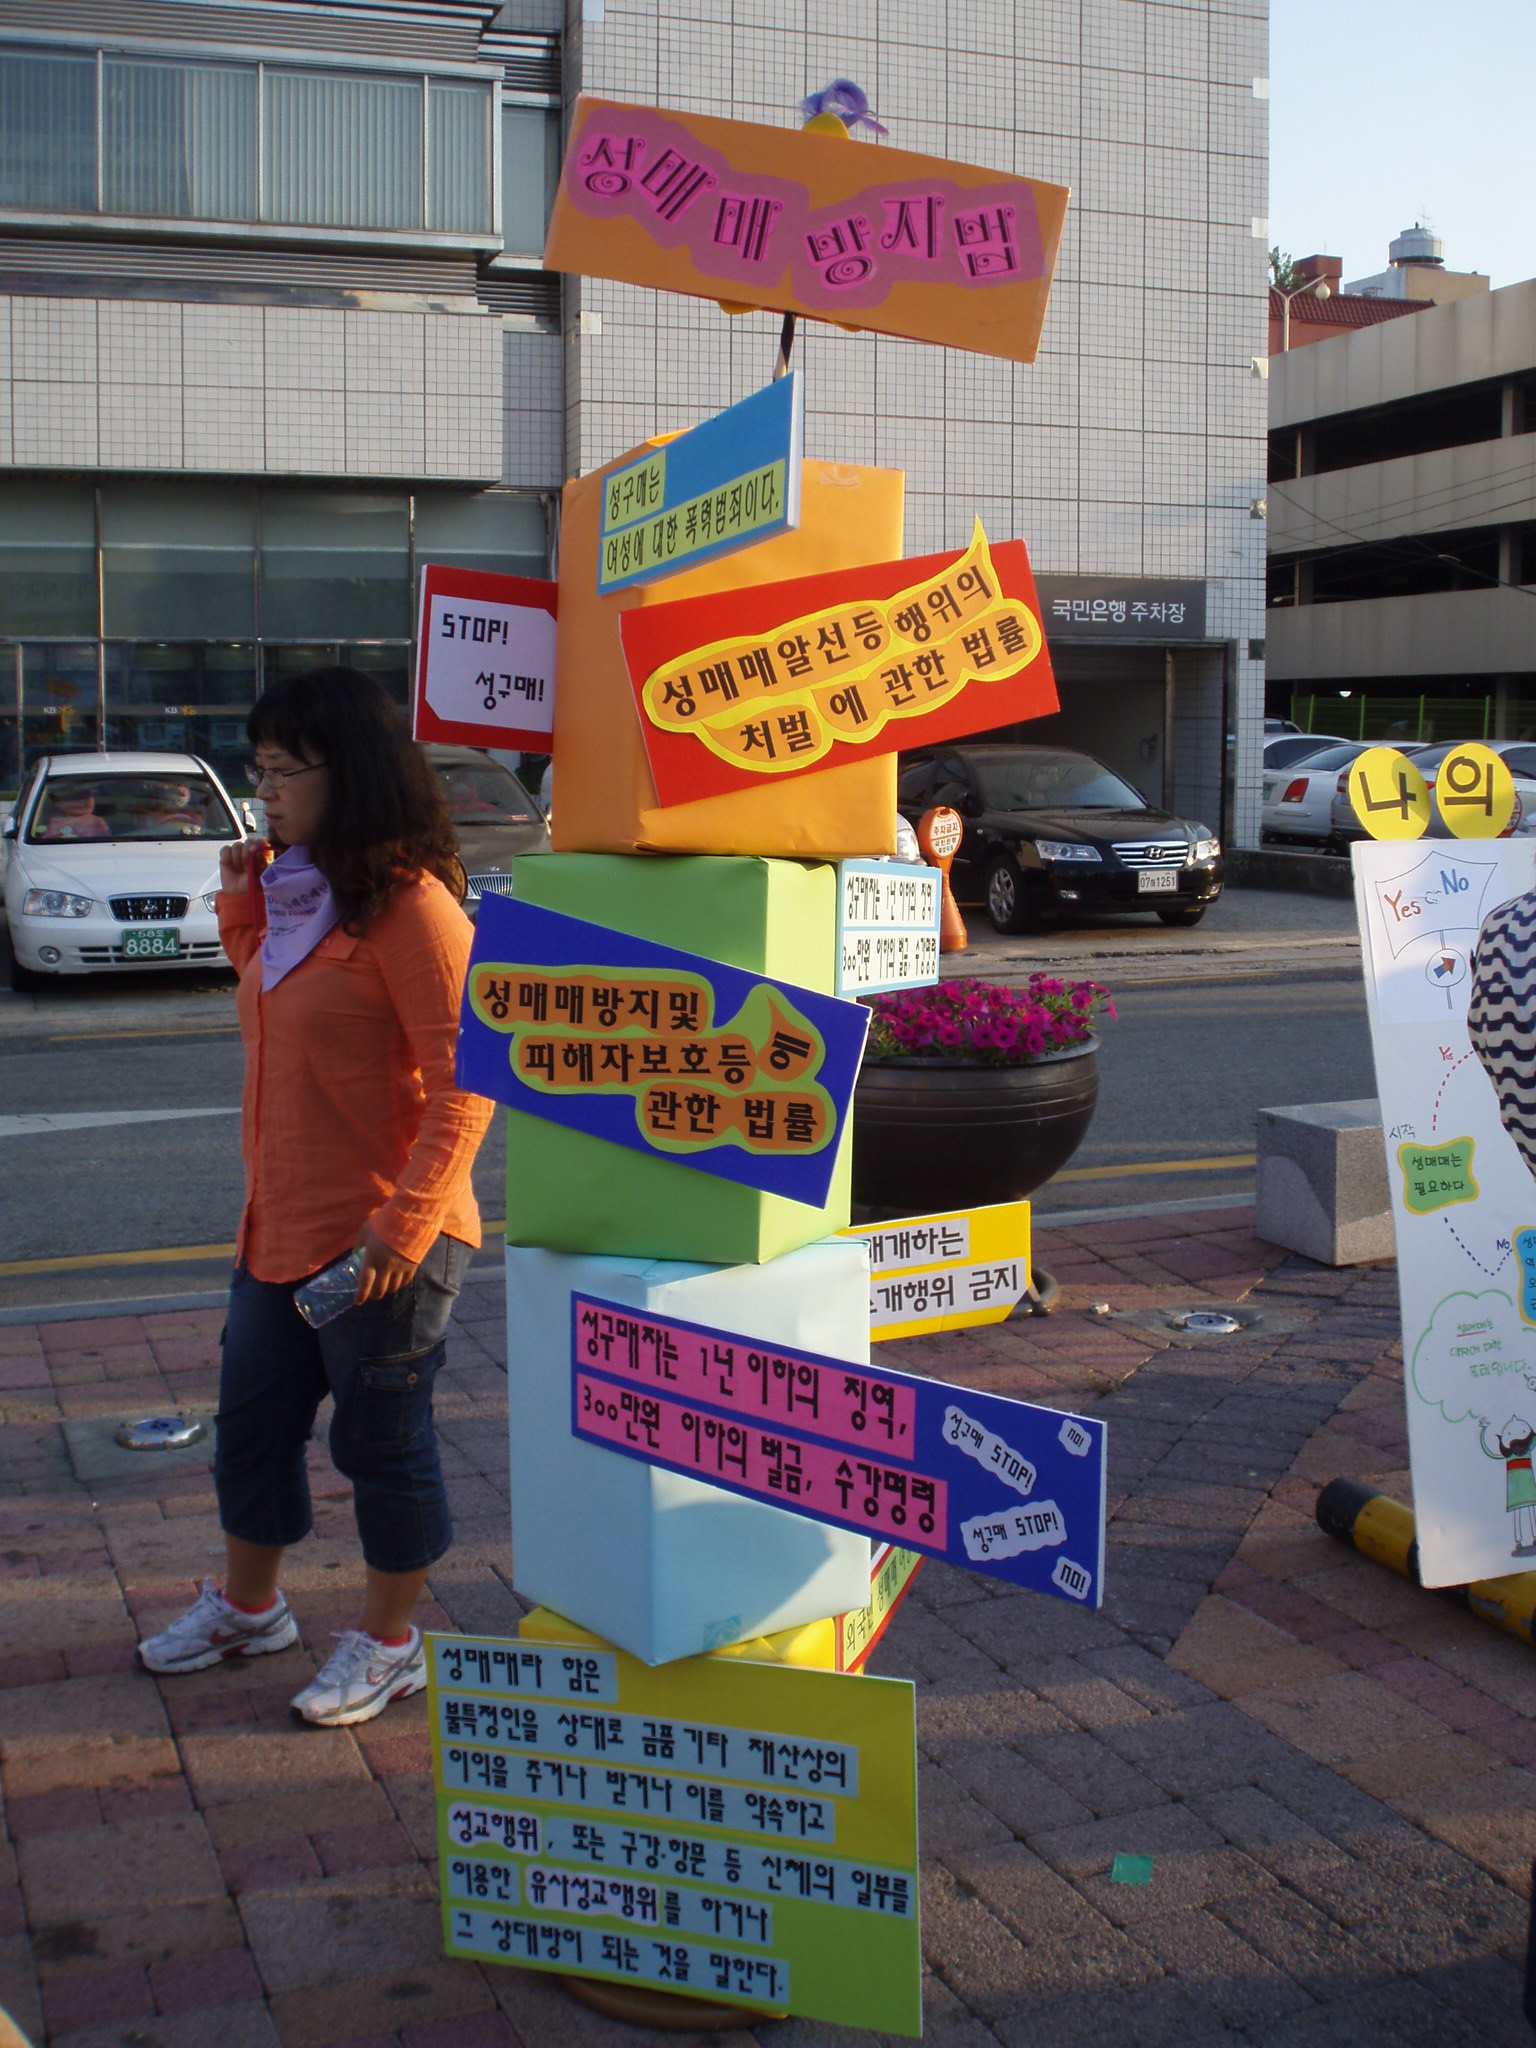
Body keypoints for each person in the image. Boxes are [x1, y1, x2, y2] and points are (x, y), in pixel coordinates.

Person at [136, 668, 494, 1727]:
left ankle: (391, 1641)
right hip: (278, 1229)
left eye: (285, 770)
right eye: (260, 770)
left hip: (382, 1241)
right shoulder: (300, 894)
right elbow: (277, 999)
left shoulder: (416, 911)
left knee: (380, 1445)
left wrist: (403, 1224)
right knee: (251, 1432)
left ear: (355, 772)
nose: (266, 792)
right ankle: (251, 1608)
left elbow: (469, 1084)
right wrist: (241, 902)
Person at [39, 786, 110, 840]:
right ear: (60, 803)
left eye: (89, 797)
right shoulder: (53, 821)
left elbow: (106, 841)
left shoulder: (96, 821)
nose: (87, 801)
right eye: (78, 798)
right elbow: (43, 842)